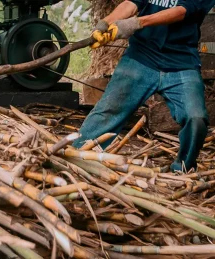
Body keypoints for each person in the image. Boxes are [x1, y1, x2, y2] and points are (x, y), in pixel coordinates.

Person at [72, 0, 215, 172]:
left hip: (181, 63)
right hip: (141, 58)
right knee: (108, 111)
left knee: (196, 118)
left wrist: (137, 23)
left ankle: (183, 168)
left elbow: (181, 11)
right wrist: (105, 23)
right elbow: (131, 3)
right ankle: (74, 156)